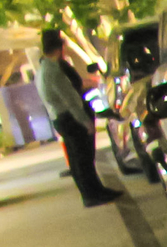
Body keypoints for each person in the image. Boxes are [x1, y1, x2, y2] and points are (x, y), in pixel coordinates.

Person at [35, 29, 120, 207]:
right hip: (69, 117)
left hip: (60, 117)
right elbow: (70, 98)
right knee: (83, 159)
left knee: (79, 158)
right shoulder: (53, 70)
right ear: (59, 48)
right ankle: (92, 194)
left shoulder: (43, 69)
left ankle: (95, 190)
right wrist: (84, 120)